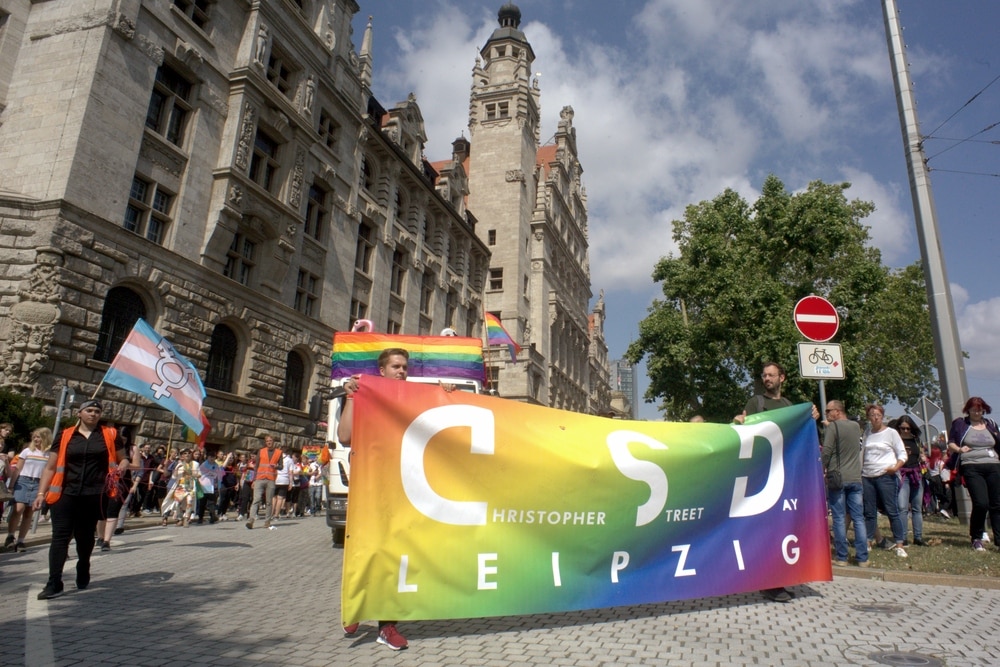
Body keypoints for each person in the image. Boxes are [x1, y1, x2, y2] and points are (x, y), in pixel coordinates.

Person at [337, 348, 412, 650]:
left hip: (402, 488)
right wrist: (352, 397)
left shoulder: (414, 397)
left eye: (405, 367)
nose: (402, 371)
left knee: (393, 556)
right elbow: (344, 436)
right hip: (369, 487)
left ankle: (387, 625)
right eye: (396, 366)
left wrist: (447, 392)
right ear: (382, 370)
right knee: (365, 551)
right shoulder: (362, 392)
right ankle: (356, 606)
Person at [732, 362, 819, 603]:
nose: (767, 378)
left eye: (771, 375)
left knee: (782, 528)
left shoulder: (790, 407)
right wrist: (738, 421)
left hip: (784, 475)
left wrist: (811, 415)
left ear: (783, 377)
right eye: (764, 375)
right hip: (762, 475)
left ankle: (778, 577)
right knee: (766, 529)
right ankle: (769, 582)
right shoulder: (756, 403)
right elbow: (743, 426)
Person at [32, 399, 129, 599]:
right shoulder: (65, 435)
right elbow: (50, 467)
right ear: (79, 413)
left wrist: (125, 464)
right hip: (64, 493)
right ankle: (54, 583)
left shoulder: (110, 434)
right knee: (60, 536)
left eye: (97, 411)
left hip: (94, 493)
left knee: (84, 537)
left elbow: (123, 458)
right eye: (89, 410)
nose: (93, 414)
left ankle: (83, 564)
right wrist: (41, 494)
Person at [947, 396, 1000, 551]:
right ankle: (976, 537)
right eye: (974, 408)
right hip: (972, 466)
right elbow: (951, 443)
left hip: (993, 465)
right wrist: (959, 449)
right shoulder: (961, 424)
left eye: (980, 408)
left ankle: (998, 539)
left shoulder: (990, 424)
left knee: (997, 504)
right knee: (981, 503)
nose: (977, 411)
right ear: (968, 409)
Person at [822, 401, 868, 567]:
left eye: (828, 411)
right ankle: (862, 557)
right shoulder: (856, 426)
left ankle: (842, 557)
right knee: (858, 518)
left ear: (837, 411)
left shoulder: (833, 428)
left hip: (838, 478)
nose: (826, 413)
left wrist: (822, 468)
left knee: (839, 518)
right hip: (856, 478)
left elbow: (826, 450)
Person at [861, 404, 908, 558]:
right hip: (868, 476)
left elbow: (902, 454)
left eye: (878, 415)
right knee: (869, 511)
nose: (875, 417)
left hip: (885, 475)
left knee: (891, 510)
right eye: (872, 415)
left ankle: (900, 543)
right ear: (868, 417)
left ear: (882, 416)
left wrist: (895, 468)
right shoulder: (867, 433)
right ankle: (868, 541)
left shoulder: (891, 433)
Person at [3, 428, 52, 552]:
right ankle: (10, 535)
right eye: (34, 437)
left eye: (39, 437)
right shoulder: (27, 451)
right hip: (23, 481)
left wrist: (45, 489)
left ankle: (21, 541)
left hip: (38, 483)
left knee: (29, 513)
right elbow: (18, 469)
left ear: (45, 438)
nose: (36, 439)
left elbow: (49, 471)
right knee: (18, 508)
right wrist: (11, 485)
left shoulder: (49, 454)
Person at [890, 415, 928, 546]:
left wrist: (923, 457)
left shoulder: (916, 440)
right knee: (902, 507)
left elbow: (921, 453)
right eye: (903, 428)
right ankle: (903, 537)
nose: (906, 431)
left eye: (908, 428)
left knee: (917, 507)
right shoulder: (895, 440)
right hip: (902, 475)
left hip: (916, 474)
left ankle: (918, 537)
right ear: (898, 428)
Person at [246, 435, 282, 530]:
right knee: (256, 499)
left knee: (269, 501)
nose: (269, 442)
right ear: (265, 442)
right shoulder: (261, 451)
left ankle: (267, 521)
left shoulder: (278, 452)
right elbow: (256, 466)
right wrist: (254, 480)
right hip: (260, 478)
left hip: (271, 479)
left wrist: (277, 466)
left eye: (270, 441)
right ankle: (251, 520)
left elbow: (281, 466)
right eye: (267, 441)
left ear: (273, 442)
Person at [196, 448, 224, 524]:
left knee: (211, 504)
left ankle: (212, 517)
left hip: (212, 487)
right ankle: (200, 518)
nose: (212, 458)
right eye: (210, 457)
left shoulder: (217, 466)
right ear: (207, 457)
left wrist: (219, 486)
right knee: (202, 503)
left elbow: (219, 477)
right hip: (204, 486)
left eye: (213, 457)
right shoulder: (203, 465)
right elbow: (199, 474)